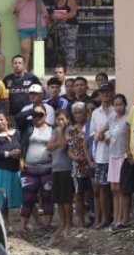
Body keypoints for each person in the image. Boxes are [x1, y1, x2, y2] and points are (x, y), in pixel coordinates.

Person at [18, 106, 55, 233]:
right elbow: (18, 117)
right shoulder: (27, 127)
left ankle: (47, 224)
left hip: (47, 168)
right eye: (35, 115)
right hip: (29, 168)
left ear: (46, 115)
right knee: (28, 198)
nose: (37, 117)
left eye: (41, 114)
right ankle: (22, 226)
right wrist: (32, 110)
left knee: (47, 196)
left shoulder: (52, 129)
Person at [89, 80, 116, 229]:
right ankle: (104, 218)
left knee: (115, 188)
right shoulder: (95, 113)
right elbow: (92, 132)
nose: (105, 95)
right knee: (102, 188)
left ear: (111, 93)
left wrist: (108, 136)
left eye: (107, 92)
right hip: (101, 155)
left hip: (115, 153)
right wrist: (98, 135)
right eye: (102, 92)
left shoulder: (116, 110)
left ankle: (114, 217)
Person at [0, 112, 23, 221]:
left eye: (1, 119)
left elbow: (23, 146)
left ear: (7, 120)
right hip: (1, 172)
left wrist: (19, 152)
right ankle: (4, 222)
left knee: (17, 197)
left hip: (15, 170)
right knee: (2, 199)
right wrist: (9, 154)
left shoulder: (17, 133)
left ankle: (22, 223)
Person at [106, 94, 133, 230]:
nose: (118, 107)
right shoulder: (111, 119)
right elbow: (106, 133)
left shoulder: (127, 118)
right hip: (112, 155)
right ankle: (115, 218)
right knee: (114, 188)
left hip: (123, 155)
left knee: (122, 189)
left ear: (125, 104)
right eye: (115, 105)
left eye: (120, 104)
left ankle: (123, 218)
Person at [48, 111, 75, 239]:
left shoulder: (70, 130)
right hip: (56, 168)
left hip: (67, 168)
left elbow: (64, 146)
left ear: (68, 119)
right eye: (58, 119)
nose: (60, 122)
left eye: (63, 119)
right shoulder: (55, 131)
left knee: (66, 199)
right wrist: (57, 139)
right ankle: (62, 224)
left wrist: (60, 134)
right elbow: (49, 147)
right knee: (58, 199)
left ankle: (68, 225)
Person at [11, 0, 49, 71]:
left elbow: (45, 15)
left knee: (37, 50)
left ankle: (38, 70)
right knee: (25, 50)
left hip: (38, 27)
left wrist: (47, 26)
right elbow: (15, 10)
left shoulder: (38, 0)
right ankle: (25, 69)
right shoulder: (19, 0)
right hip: (24, 28)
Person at [67, 102, 92, 228]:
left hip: (91, 164)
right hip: (78, 167)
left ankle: (94, 219)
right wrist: (76, 158)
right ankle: (81, 221)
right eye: (75, 113)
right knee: (79, 195)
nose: (78, 115)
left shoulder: (91, 127)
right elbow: (69, 150)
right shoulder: (71, 130)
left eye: (80, 112)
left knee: (93, 193)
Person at [51, 0, 79, 67]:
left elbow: (74, 13)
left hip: (70, 26)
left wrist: (62, 16)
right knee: (64, 46)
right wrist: (54, 17)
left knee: (70, 45)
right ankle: (68, 64)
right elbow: (54, 11)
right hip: (60, 26)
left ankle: (71, 66)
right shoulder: (56, 0)